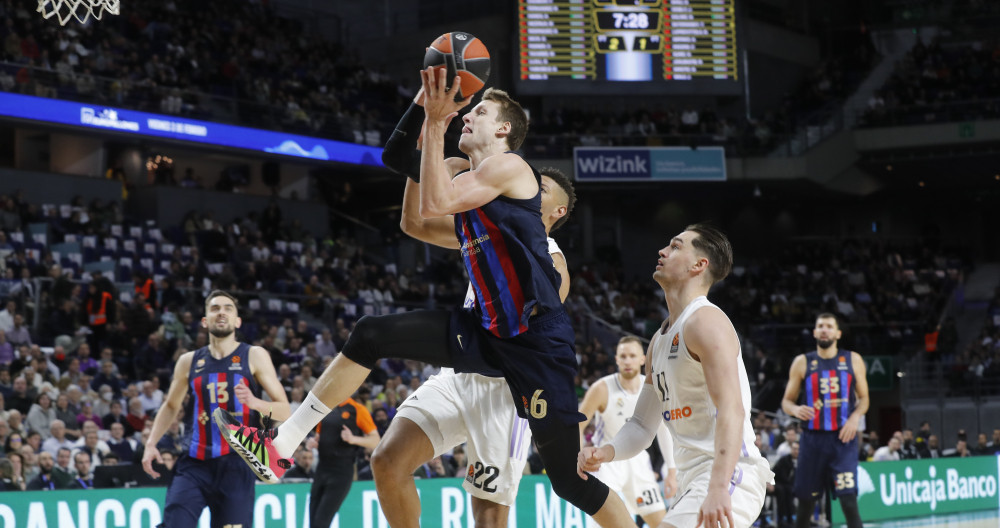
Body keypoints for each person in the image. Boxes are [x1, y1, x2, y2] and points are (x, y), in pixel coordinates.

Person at [216, 68, 636, 527]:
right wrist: (424, 107)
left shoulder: (513, 171)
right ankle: (281, 445)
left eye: (480, 111)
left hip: (529, 353)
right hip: (480, 336)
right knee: (371, 339)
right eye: (467, 111)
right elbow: (414, 217)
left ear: (504, 130)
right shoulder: (470, 196)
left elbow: (439, 205)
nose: (468, 117)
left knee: (567, 481)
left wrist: (436, 125)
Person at [372, 165, 577, 528]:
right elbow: (414, 225)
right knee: (387, 461)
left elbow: (544, 317)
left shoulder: (552, 254)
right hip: (458, 373)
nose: (528, 190)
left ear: (556, 211)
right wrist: (420, 160)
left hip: (504, 390)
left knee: (489, 515)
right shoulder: (489, 230)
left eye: (540, 189)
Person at [578, 225, 774, 528]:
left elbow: (732, 410)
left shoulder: (705, 321)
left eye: (676, 246)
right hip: (691, 480)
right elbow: (642, 425)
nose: (662, 251)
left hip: (729, 473)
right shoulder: (658, 341)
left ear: (699, 265)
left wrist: (719, 487)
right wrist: (605, 451)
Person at [141, 290, 290, 528]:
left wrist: (255, 404)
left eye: (228, 308)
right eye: (215, 308)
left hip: (237, 463)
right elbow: (171, 405)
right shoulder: (188, 361)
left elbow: (284, 411)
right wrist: (150, 444)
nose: (221, 312)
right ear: (204, 320)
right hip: (194, 463)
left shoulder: (254, 356)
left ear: (237, 321)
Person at [780, 313, 869, 528]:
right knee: (805, 505)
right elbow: (786, 402)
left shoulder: (853, 360)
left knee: (848, 502)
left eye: (829, 326)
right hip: (812, 441)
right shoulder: (802, 362)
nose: (824, 329)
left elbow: (865, 398)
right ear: (814, 332)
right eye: (820, 326)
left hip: (843, 439)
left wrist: (855, 417)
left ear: (838, 333)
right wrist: (795, 409)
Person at [578, 336, 676, 528]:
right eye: (623, 356)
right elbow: (578, 424)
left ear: (642, 360)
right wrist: (578, 457)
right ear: (616, 359)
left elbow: (663, 430)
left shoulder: (654, 387)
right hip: (605, 463)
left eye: (632, 356)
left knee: (661, 523)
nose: (627, 361)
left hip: (639, 461)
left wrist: (671, 471)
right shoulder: (601, 388)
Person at [309, 396, 380, 528]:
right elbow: (319, 437)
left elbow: (376, 440)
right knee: (313, 522)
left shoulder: (357, 409)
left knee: (321, 523)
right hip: (321, 469)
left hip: (341, 471)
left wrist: (353, 439)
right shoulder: (325, 407)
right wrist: (313, 442)